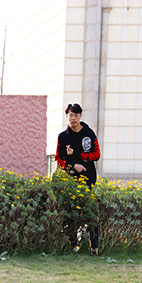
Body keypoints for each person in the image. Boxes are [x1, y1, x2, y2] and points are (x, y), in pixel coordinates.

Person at [55, 102, 100, 255]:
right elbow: (58, 160)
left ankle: (94, 247)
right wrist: (73, 165)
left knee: (91, 212)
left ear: (80, 116)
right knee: (71, 212)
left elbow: (96, 155)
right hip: (70, 181)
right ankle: (73, 246)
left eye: (75, 115)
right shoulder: (63, 137)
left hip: (88, 180)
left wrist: (76, 154)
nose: (72, 118)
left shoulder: (89, 133)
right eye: (70, 115)